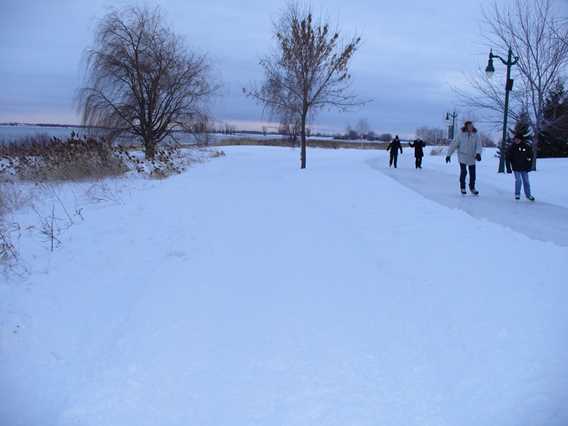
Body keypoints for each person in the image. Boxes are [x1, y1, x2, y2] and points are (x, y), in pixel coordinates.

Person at [445, 121, 483, 195]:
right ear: (466, 126)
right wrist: (448, 155)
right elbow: (454, 144)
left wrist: (478, 153)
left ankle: (472, 188)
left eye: (471, 126)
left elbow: (479, 145)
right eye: (469, 126)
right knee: (464, 172)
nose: (470, 127)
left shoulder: (476, 135)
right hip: (462, 156)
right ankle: (463, 187)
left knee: (472, 174)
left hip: (472, 156)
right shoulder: (460, 134)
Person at [507, 135, 535, 201]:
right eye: (515, 139)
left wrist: (529, 166)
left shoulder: (526, 146)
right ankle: (517, 194)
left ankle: (528, 195)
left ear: (521, 140)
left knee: (526, 181)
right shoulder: (512, 147)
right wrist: (508, 168)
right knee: (518, 180)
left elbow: (530, 156)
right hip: (516, 167)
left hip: (524, 167)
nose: (516, 140)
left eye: (518, 139)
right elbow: (508, 158)